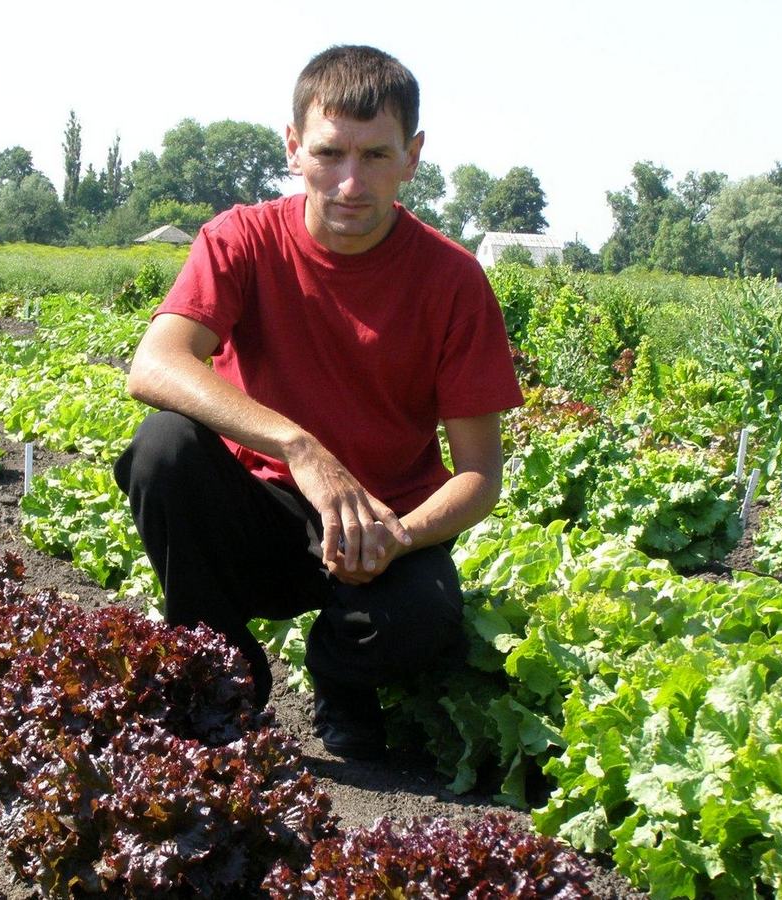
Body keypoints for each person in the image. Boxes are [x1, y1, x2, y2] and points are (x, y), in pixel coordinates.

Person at [113, 44, 523, 760]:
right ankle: (224, 670)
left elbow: (480, 474)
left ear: (413, 156)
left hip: (378, 527)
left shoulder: (453, 281)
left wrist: (399, 535)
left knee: (425, 619)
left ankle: (340, 678)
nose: (350, 181)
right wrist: (301, 448)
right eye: (331, 154)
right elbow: (154, 364)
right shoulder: (242, 237)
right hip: (257, 511)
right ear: (295, 148)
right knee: (163, 448)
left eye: (375, 155)